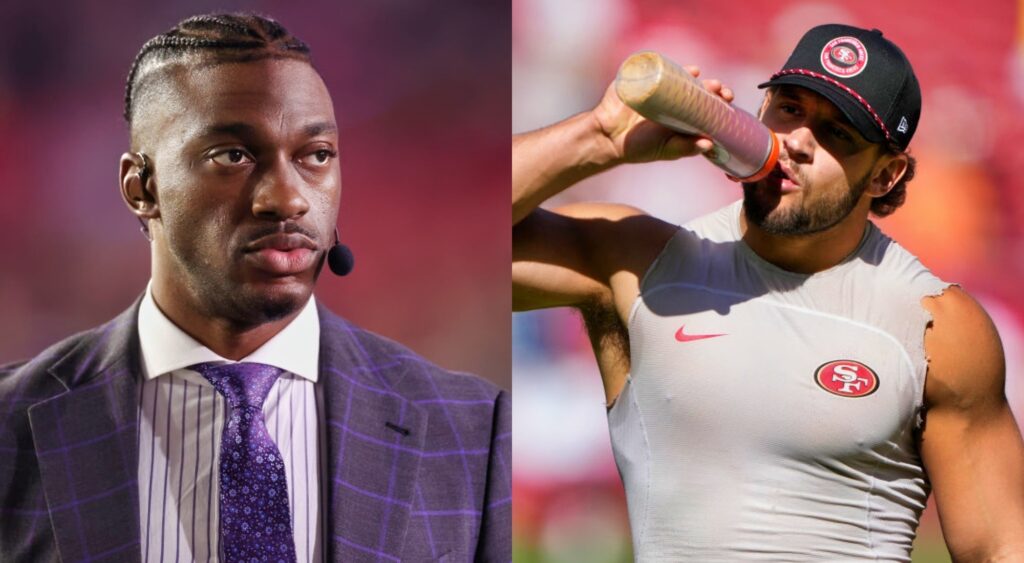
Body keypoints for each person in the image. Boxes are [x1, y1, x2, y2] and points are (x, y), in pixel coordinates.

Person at [0, 13, 509, 562]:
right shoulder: (12, 429)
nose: (287, 198)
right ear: (141, 187)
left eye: (316, 156)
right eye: (233, 156)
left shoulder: (472, 431)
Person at [513, 23, 1024, 560]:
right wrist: (598, 139)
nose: (799, 141)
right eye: (789, 108)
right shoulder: (637, 263)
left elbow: (1000, 548)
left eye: (838, 133)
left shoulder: (937, 327)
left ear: (886, 176)